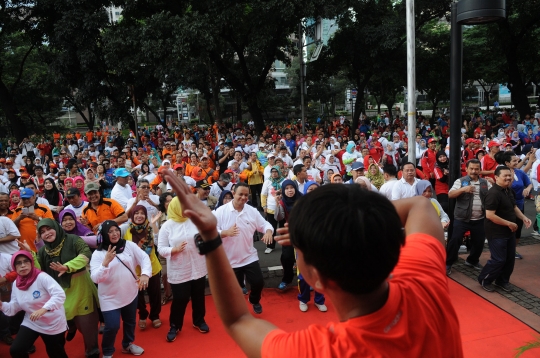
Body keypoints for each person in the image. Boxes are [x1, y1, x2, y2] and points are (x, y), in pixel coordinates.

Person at [161, 171, 463, 357]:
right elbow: (421, 207)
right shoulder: (424, 280)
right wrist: (347, 221)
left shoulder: (317, 351)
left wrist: (210, 237)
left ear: (315, 277)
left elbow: (239, 321)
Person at [26, 219, 100, 358]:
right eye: (42, 232)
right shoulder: (43, 251)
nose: (47, 233)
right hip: (59, 294)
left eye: (49, 229)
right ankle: (71, 327)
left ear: (56, 227)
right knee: (63, 321)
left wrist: (67, 266)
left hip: (81, 289)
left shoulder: (73, 239)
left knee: (87, 326)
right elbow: (39, 272)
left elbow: (86, 255)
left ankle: (92, 352)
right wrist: (31, 256)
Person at [89, 220, 151, 358]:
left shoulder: (129, 245)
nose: (115, 233)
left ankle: (127, 344)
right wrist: (105, 263)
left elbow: (144, 258)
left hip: (130, 292)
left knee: (130, 322)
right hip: (109, 297)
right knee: (112, 326)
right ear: (104, 234)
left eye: (116, 230)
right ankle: (108, 351)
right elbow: (95, 278)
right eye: (110, 231)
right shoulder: (98, 254)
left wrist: (145, 274)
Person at [213, 182, 274, 314]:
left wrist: (268, 231)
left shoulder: (252, 211)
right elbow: (211, 230)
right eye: (240, 194)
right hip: (229, 259)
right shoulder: (221, 211)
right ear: (233, 193)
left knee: (258, 282)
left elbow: (264, 224)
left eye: (246, 195)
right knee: (235, 288)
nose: (243, 197)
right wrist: (224, 233)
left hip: (248, 256)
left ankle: (254, 300)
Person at [157, 196, 209, 342]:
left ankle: (199, 320)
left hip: (198, 266)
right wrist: (174, 249)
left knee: (199, 296)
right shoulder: (167, 226)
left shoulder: (195, 221)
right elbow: (161, 248)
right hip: (180, 268)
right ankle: (175, 324)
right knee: (180, 298)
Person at [0, 250, 68, 358]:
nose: (22, 265)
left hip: (53, 322)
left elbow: (59, 295)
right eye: (18, 263)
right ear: (14, 266)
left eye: (25, 261)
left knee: (56, 354)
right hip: (32, 321)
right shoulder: (16, 283)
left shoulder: (42, 277)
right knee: (16, 350)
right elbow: (15, 306)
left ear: (31, 263)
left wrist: (43, 309)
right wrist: (2, 305)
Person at [477, 166, 531, 292]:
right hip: (496, 232)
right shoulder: (493, 194)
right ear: (496, 177)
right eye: (505, 176)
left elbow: (513, 207)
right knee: (498, 259)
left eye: (509, 176)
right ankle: (485, 279)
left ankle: (502, 281)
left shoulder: (508, 190)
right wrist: (508, 223)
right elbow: (490, 215)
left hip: (509, 231)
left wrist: (523, 217)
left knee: (509, 258)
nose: (508, 178)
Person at [120, 206, 162, 330]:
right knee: (138, 296)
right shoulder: (125, 229)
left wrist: (153, 225)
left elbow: (157, 241)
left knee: (155, 294)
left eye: (142, 213)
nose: (139, 216)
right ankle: (142, 315)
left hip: (152, 267)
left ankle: (155, 316)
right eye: (136, 213)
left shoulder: (150, 227)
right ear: (132, 215)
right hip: (134, 271)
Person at [446, 159, 491, 275]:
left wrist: (494, 184)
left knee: (479, 242)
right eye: (471, 168)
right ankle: (448, 263)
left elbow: (494, 195)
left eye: (476, 169)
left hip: (480, 218)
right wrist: (463, 189)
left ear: (480, 170)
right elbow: (450, 194)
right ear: (466, 169)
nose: (474, 171)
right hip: (462, 218)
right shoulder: (460, 181)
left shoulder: (485, 183)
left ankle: (472, 261)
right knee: (455, 240)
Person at [500, 151, 532, 260]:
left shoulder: (520, 172)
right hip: (506, 205)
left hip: (520, 203)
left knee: (518, 228)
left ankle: (513, 250)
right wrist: (511, 178)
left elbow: (529, 183)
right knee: (506, 228)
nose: (517, 162)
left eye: (517, 160)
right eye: (514, 161)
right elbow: (503, 187)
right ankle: (503, 250)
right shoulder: (501, 173)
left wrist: (527, 189)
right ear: (506, 163)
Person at [275, 180, 301, 291]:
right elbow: (278, 218)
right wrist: (277, 205)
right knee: (287, 257)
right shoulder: (282, 202)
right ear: (283, 190)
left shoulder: (302, 199)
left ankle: (306, 281)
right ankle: (287, 279)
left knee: (304, 258)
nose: (290, 190)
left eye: (292, 188)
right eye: (287, 188)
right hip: (287, 233)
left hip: (301, 232)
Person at [261, 166, 286, 254]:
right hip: (271, 208)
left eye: (276, 171)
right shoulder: (268, 181)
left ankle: (285, 245)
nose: (274, 173)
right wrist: (264, 206)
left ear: (279, 172)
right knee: (271, 228)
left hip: (282, 208)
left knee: (283, 227)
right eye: (273, 172)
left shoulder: (284, 181)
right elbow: (263, 195)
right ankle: (270, 246)